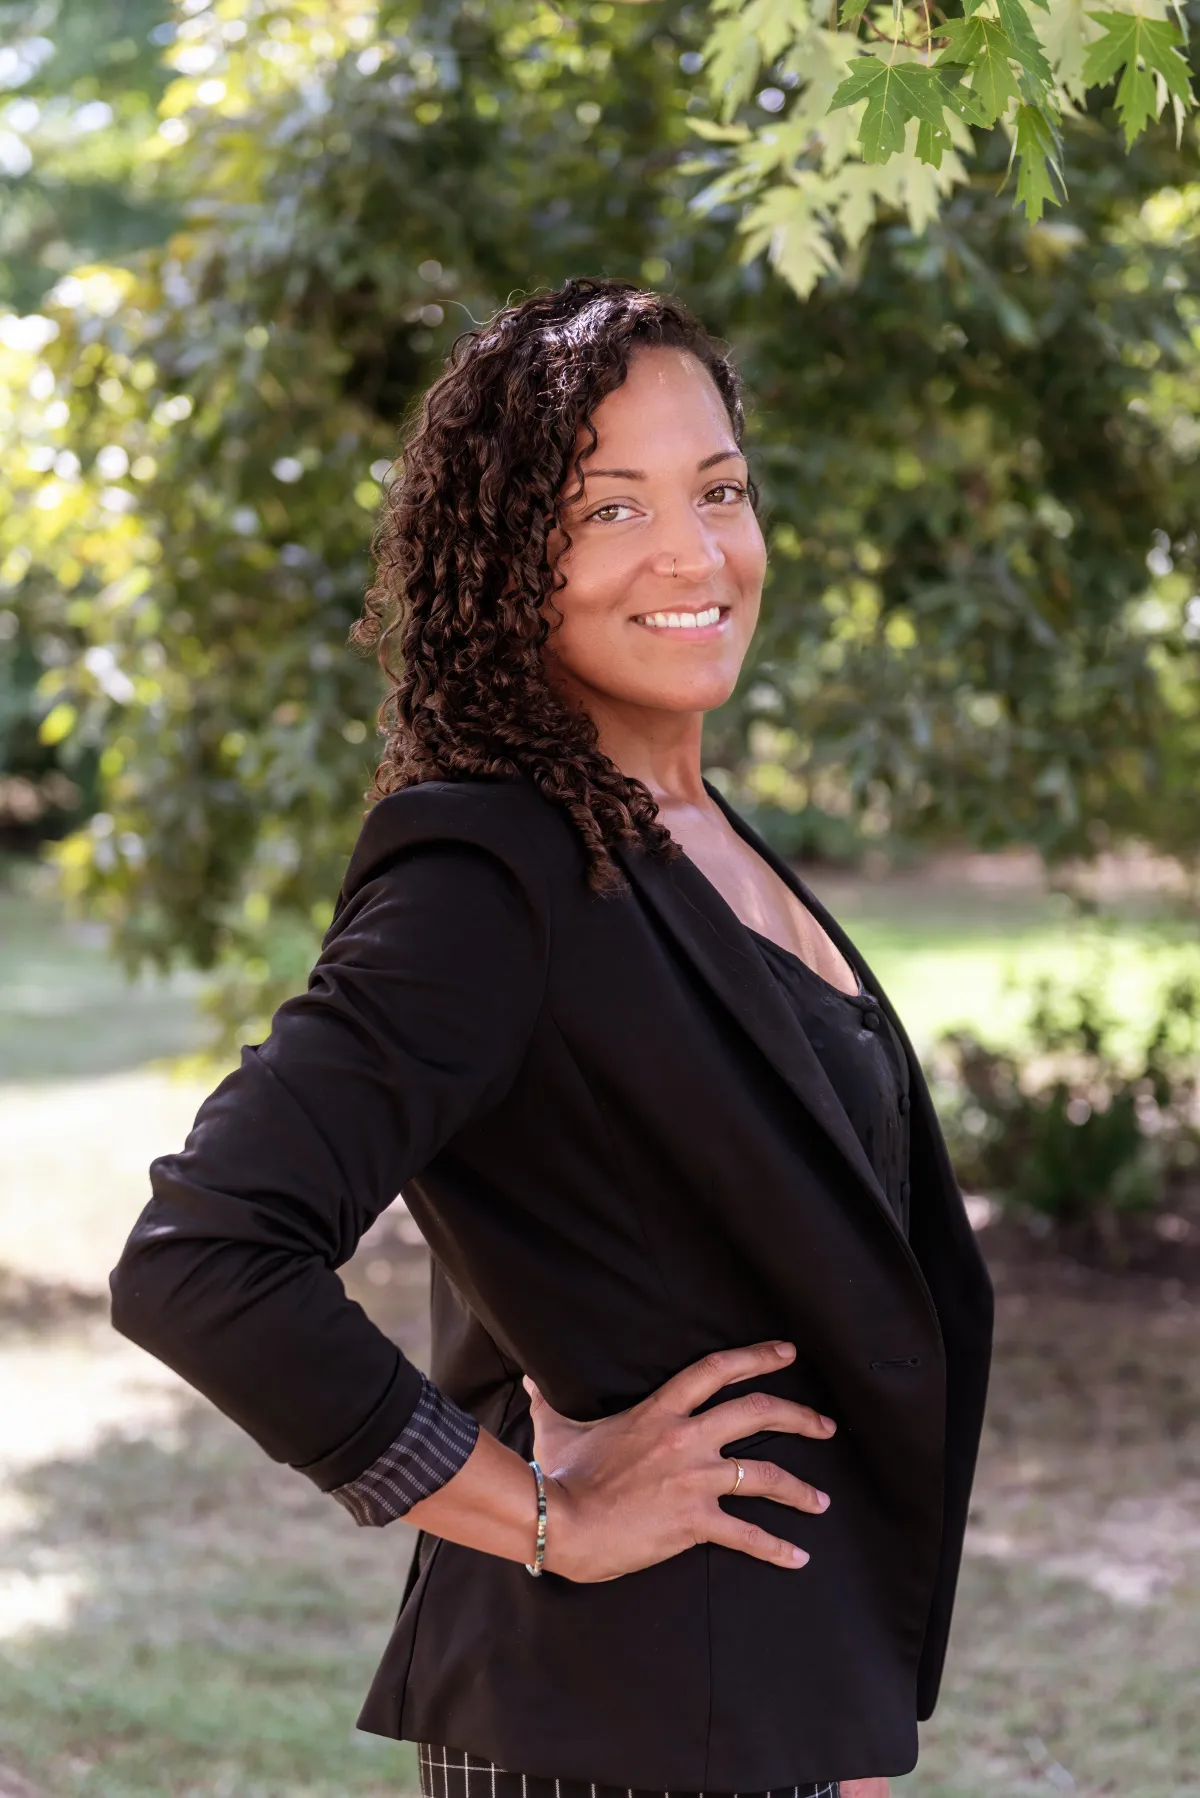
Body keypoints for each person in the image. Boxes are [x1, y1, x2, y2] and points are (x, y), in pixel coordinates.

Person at [111, 279, 993, 1798]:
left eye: (719, 489)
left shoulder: (693, 833)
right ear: (509, 562)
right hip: (611, 1728)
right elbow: (202, 1255)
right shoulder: (488, 869)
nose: (694, 552)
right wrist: (541, 1511)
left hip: (763, 1710)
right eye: (610, 511)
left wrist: (836, 1715)